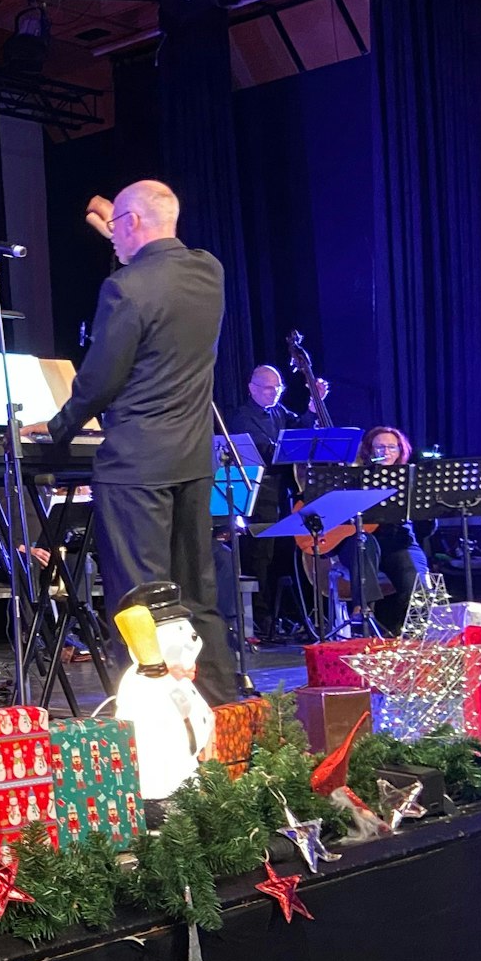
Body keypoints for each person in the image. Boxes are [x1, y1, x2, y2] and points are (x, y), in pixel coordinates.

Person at [28, 181, 236, 706]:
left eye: (119, 227)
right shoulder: (209, 270)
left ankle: (152, 722)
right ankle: (220, 708)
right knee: (196, 595)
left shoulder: (124, 287)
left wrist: (56, 429)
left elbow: (100, 381)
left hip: (136, 464)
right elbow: (152, 266)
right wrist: (118, 227)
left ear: (134, 225)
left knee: (139, 602)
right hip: (192, 459)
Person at [226, 364, 327, 639]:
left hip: (283, 493)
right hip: (260, 495)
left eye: (278, 388)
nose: (274, 393)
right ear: (253, 388)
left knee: (282, 557)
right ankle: (261, 617)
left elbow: (302, 431)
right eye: (269, 388)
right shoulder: (241, 417)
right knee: (260, 556)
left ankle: (288, 614)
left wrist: (313, 408)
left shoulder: (279, 411)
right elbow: (267, 452)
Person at [332, 426, 431, 632]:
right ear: (369, 451)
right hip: (361, 541)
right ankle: (364, 611)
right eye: (379, 447)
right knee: (363, 544)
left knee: (416, 583)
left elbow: (426, 529)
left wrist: (427, 509)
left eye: (391, 447)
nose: (385, 452)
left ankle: (416, 636)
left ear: (400, 451)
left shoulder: (410, 479)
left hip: (399, 543)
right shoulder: (354, 478)